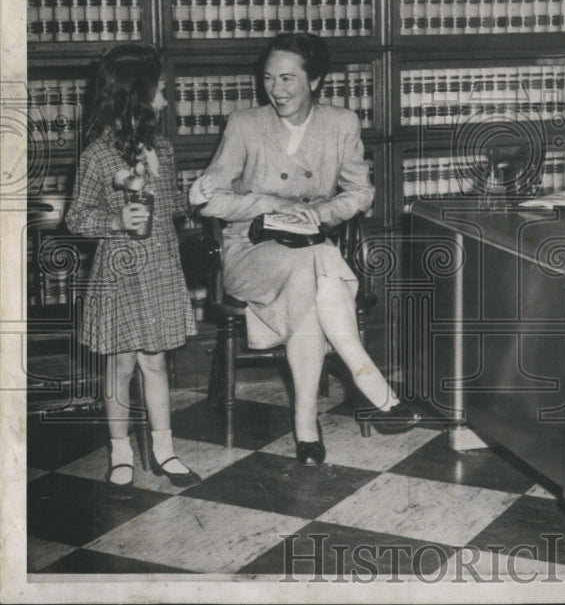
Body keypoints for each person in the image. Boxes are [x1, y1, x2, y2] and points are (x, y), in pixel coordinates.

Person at [189, 32, 420, 465]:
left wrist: (321, 214)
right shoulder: (244, 124)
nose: (277, 90)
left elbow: (361, 194)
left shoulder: (341, 123)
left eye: (289, 79)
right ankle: (373, 387)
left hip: (311, 246)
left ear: (314, 82)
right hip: (253, 249)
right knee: (318, 268)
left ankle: (306, 426)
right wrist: (268, 203)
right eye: (269, 78)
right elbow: (206, 200)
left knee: (312, 278)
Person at [65, 44, 201, 494]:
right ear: (136, 95)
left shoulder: (161, 146)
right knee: (121, 364)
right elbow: (77, 217)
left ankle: (165, 449)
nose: (166, 98)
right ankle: (120, 450)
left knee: (156, 362)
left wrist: (195, 197)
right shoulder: (98, 156)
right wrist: (116, 221)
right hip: (120, 271)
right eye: (160, 89)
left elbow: (170, 206)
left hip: (160, 267)